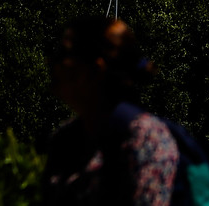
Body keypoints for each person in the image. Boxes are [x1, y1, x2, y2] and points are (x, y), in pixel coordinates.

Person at [44, 16, 179, 206]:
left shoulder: (144, 139)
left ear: (95, 69)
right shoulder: (65, 139)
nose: (51, 61)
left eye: (63, 54)